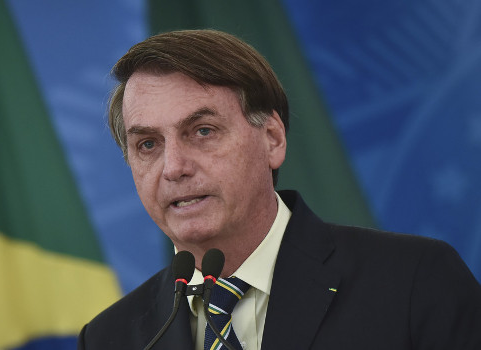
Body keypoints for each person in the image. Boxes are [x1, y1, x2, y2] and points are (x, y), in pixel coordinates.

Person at [77, 29, 481, 350]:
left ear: (272, 138)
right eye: (148, 144)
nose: (174, 167)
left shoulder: (412, 281)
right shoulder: (109, 338)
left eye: (202, 131)